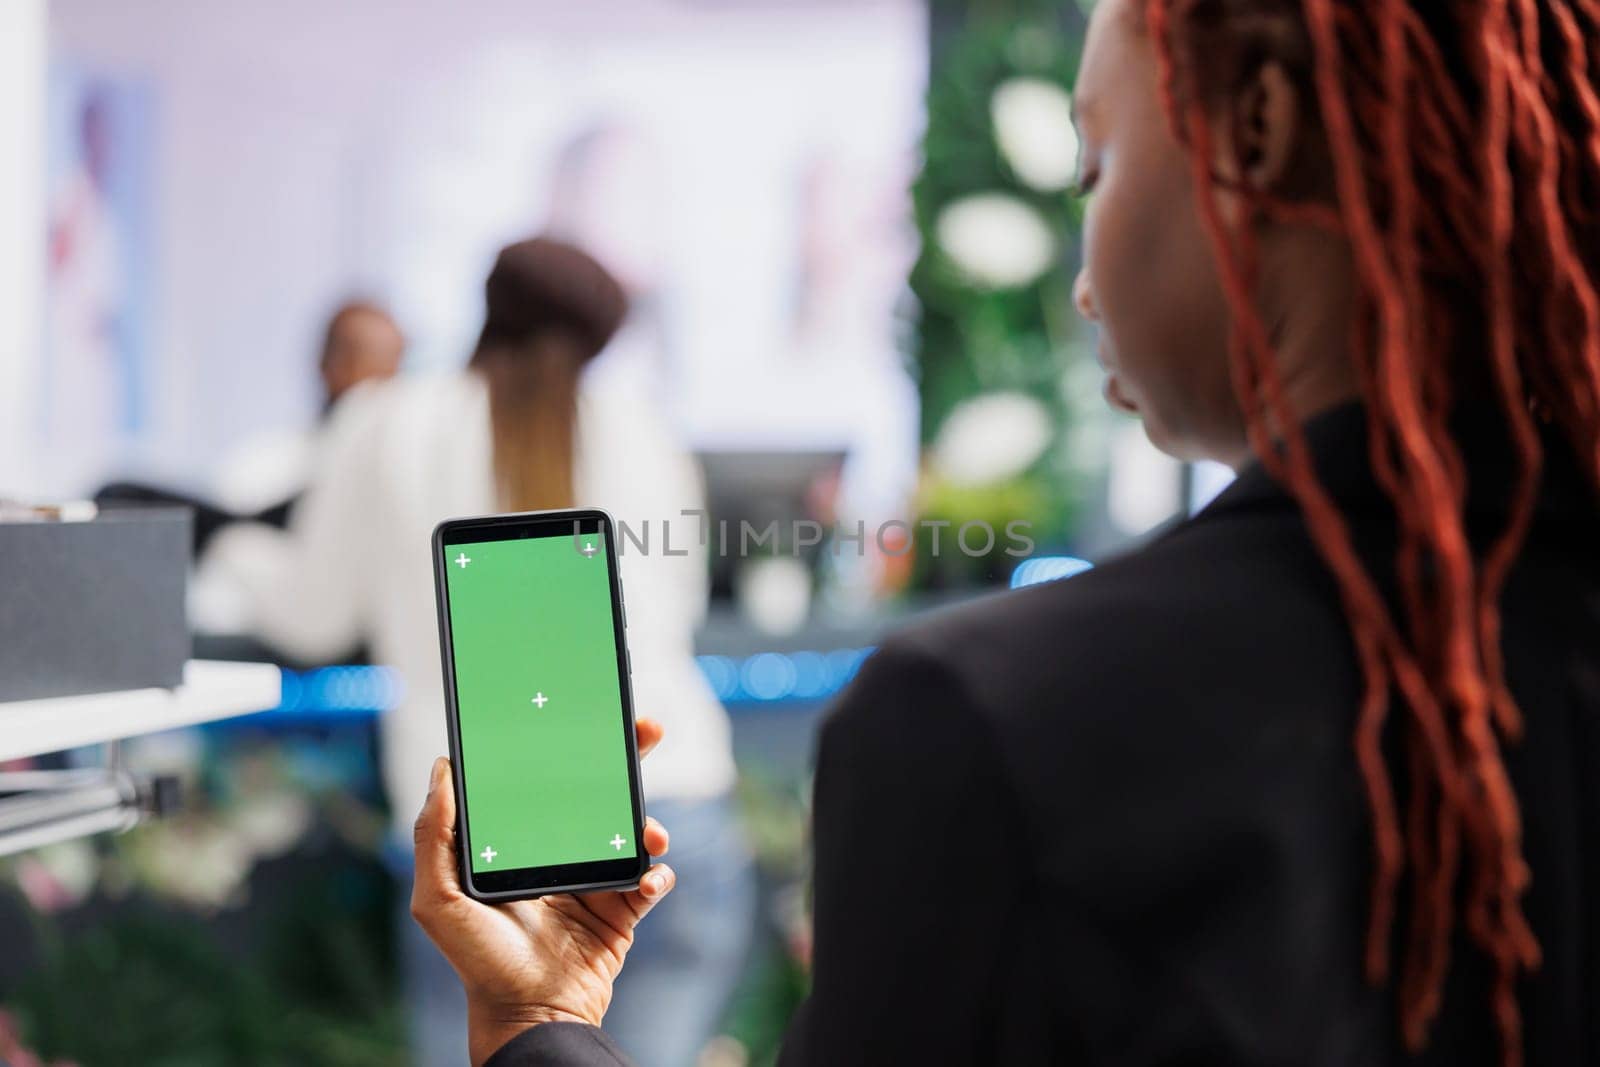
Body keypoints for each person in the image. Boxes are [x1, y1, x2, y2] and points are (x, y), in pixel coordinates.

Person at [410, 1, 1600, 1065]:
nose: (1082, 280)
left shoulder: (992, 720)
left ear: (1257, 131)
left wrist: (535, 1028)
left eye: (1096, 164)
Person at [205, 238, 748, 1066]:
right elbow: (679, 603)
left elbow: (312, 618)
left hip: (480, 841)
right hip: (667, 814)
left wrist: (229, 547)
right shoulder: (641, 425)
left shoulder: (387, 419)